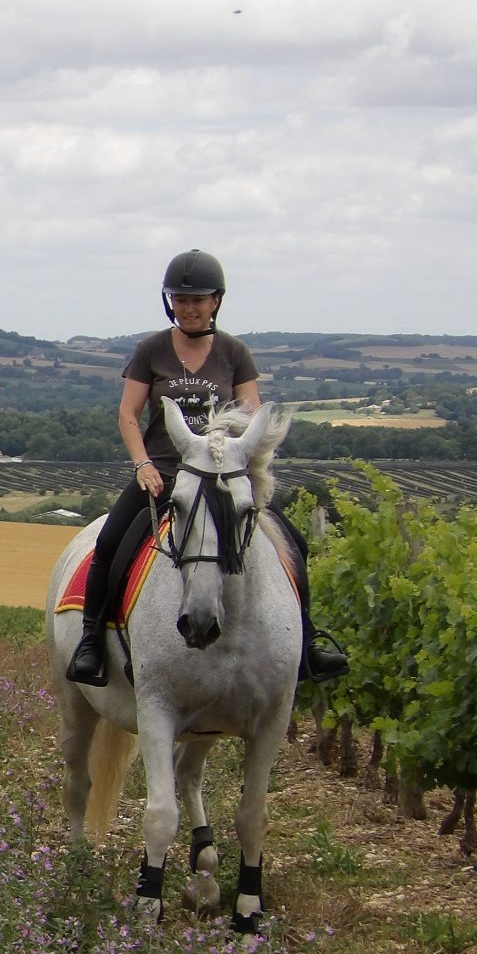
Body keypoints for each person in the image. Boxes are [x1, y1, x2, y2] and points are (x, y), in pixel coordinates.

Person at [65, 249, 349, 687]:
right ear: (170, 301)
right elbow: (128, 415)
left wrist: (241, 472)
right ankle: (92, 644)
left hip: (220, 477)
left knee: (293, 545)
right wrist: (141, 464)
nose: (189, 307)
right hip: (162, 473)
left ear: (216, 301)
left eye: (198, 299)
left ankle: (307, 643)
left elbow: (251, 417)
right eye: (180, 299)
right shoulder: (150, 351)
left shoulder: (235, 352)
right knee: (109, 545)